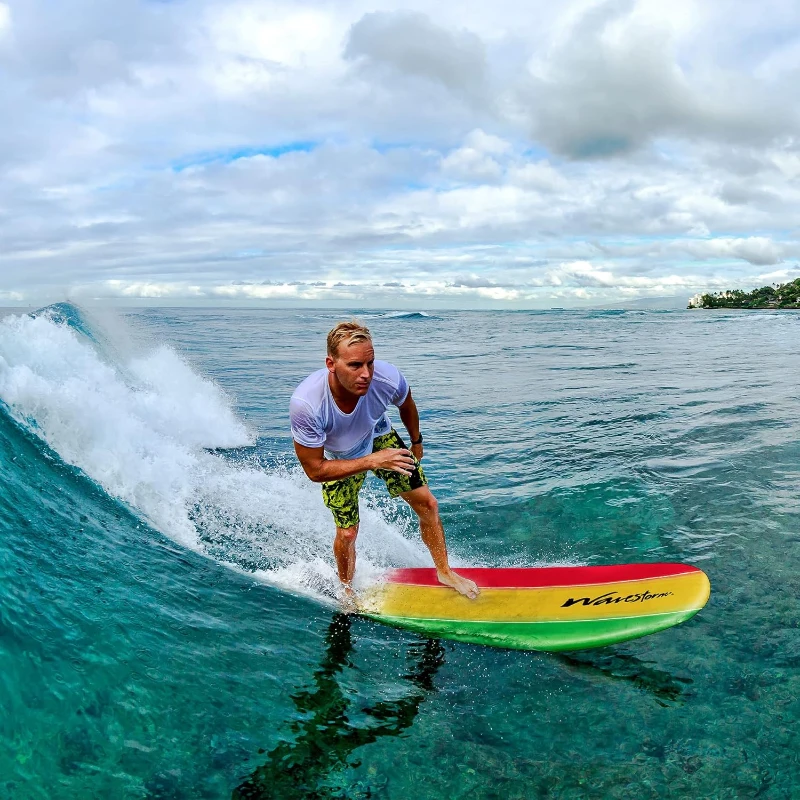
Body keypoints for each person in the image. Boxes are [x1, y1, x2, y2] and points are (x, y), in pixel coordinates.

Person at [290, 321, 479, 603]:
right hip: (339, 457)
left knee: (427, 504)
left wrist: (416, 442)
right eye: (355, 365)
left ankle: (444, 572)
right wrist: (372, 461)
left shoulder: (387, 378)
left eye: (370, 362)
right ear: (331, 364)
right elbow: (315, 470)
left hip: (379, 436)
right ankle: (346, 591)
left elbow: (406, 403)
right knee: (347, 532)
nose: (366, 374)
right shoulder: (307, 404)